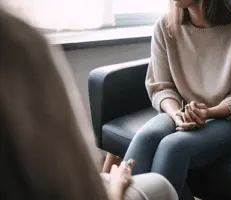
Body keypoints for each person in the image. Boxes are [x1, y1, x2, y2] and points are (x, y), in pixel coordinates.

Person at [0, 7, 178, 200]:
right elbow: (79, 184)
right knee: (161, 182)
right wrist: (116, 184)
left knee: (169, 147)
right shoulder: (15, 42)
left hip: (200, 113)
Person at [123, 0, 231, 199]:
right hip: (183, 110)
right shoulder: (165, 25)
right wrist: (176, 114)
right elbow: (161, 86)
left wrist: (208, 112)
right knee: (145, 138)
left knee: (173, 147)